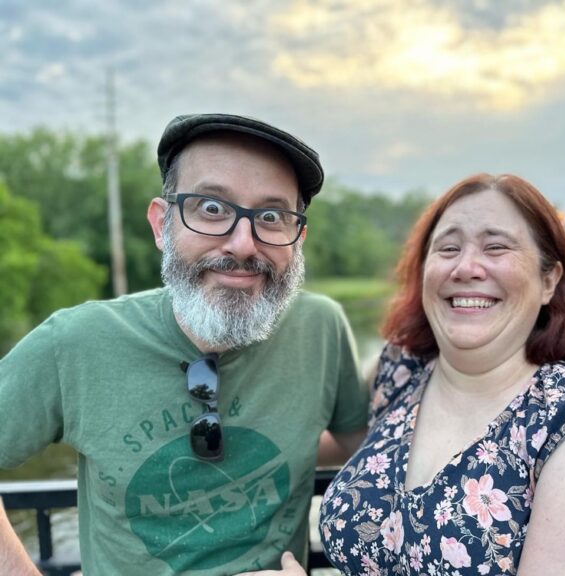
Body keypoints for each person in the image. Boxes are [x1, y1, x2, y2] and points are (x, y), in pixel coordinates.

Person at [0, 113, 369, 575]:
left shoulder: (322, 329)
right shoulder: (74, 343)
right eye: (212, 209)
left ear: (298, 240)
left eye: (271, 217)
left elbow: (367, 446)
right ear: (162, 224)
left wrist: (426, 367)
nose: (242, 244)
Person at [316, 173, 565, 575]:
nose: (466, 267)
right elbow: (319, 442)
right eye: (448, 248)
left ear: (548, 280)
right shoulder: (399, 372)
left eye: (496, 247)